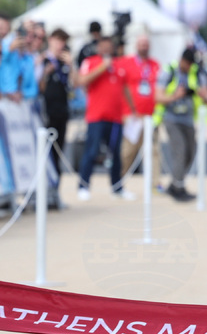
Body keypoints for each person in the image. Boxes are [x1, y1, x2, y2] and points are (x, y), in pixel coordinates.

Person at [77, 36, 136, 201]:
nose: (106, 50)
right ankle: (83, 186)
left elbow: (125, 88)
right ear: (98, 48)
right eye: (103, 46)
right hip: (96, 116)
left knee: (116, 154)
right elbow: (82, 81)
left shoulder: (119, 65)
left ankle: (117, 188)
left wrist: (132, 108)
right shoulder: (91, 62)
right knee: (91, 151)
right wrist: (102, 67)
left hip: (115, 118)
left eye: (109, 46)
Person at [154, 48, 207, 202]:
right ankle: (178, 188)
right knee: (179, 150)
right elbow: (158, 96)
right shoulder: (169, 71)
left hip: (188, 118)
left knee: (190, 153)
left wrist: (202, 94)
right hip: (171, 118)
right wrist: (175, 96)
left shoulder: (198, 73)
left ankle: (175, 183)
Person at [39, 28, 77, 206]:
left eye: (63, 41)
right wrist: (45, 72)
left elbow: (75, 85)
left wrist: (71, 66)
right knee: (45, 154)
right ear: (50, 40)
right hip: (46, 113)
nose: (60, 44)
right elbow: (36, 86)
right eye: (57, 40)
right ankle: (43, 194)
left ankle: (55, 193)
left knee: (58, 153)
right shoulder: (42, 59)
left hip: (62, 112)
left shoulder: (64, 63)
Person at [119, 35, 161, 186]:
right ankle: (119, 181)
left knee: (153, 150)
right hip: (132, 115)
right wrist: (130, 110)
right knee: (128, 151)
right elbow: (122, 88)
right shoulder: (127, 63)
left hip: (150, 115)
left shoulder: (155, 65)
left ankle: (155, 183)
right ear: (137, 46)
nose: (144, 47)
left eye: (146, 44)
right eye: (141, 44)